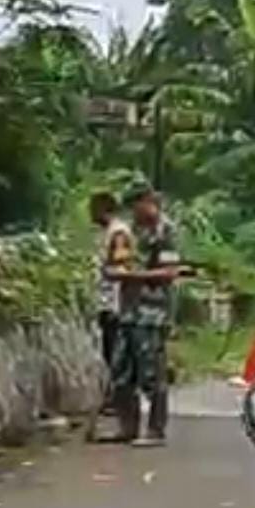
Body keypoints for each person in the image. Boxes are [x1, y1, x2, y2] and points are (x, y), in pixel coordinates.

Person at [107, 182, 183, 447]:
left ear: (148, 201)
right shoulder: (130, 231)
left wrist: (134, 277)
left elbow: (170, 272)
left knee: (152, 372)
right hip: (127, 310)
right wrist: (115, 270)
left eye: (136, 204)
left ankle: (155, 429)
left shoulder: (165, 230)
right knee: (121, 371)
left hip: (154, 311)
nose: (133, 211)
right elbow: (117, 262)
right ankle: (127, 427)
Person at [91, 190, 133, 378]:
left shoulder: (118, 233)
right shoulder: (107, 232)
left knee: (114, 350)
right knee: (108, 349)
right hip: (106, 298)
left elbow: (121, 263)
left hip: (114, 300)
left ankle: (118, 394)